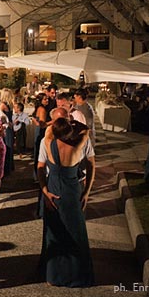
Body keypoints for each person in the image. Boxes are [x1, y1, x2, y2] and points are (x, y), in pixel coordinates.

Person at [37, 117, 95, 287]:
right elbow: (86, 130)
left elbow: (40, 167)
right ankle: (76, 274)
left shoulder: (47, 141)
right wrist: (86, 192)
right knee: (75, 232)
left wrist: (45, 190)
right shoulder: (79, 143)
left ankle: (52, 275)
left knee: (54, 232)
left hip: (53, 189)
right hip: (71, 192)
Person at [32, 93, 50, 183]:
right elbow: (43, 125)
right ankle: (39, 176)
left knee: (37, 153)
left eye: (47, 99)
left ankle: (36, 175)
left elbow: (34, 119)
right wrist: (54, 121)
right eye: (45, 99)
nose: (47, 100)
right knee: (40, 153)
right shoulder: (42, 109)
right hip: (41, 132)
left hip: (37, 131)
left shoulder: (38, 109)